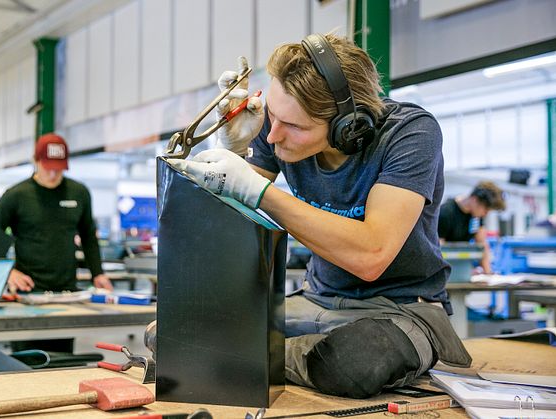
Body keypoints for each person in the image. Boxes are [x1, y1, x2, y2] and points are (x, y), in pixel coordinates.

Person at [167, 34, 471, 398]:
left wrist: (260, 192)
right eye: (274, 117)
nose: (274, 134)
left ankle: (246, 357)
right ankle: (286, 357)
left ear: (349, 126)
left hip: (399, 310)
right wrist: (231, 153)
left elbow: (371, 255)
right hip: (317, 300)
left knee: (354, 362)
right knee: (170, 334)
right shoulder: (276, 125)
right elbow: (227, 230)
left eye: (294, 127)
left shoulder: (410, 133)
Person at [0, 133, 113, 293]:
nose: (53, 174)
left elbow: (88, 236)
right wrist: (7, 271)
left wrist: (98, 273)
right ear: (35, 161)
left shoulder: (79, 193)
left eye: (58, 169)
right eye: (48, 168)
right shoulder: (16, 195)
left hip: (67, 289)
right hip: (28, 289)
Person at [437, 181, 505, 274]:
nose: (486, 214)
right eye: (485, 210)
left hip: (462, 267)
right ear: (474, 199)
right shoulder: (446, 212)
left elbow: (482, 245)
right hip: (445, 268)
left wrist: (488, 274)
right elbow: (439, 249)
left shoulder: (476, 216)